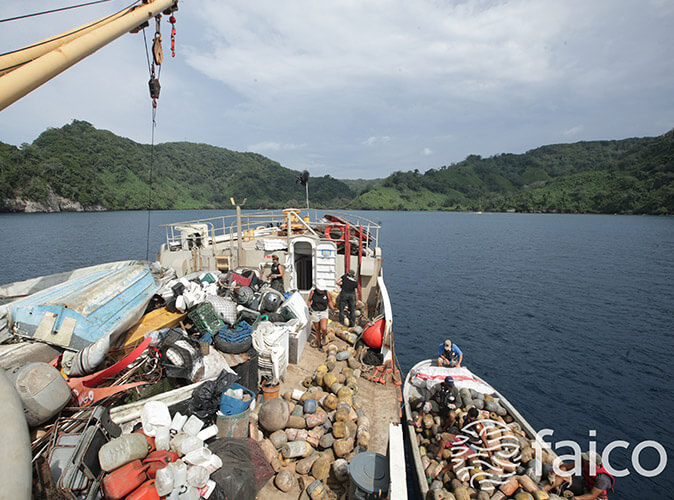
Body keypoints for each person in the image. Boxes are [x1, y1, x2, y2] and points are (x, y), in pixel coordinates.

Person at [543, 451, 615, 499]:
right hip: (584, 486)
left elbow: (592, 495)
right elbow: (566, 467)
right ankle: (543, 489)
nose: (585, 461)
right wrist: (554, 475)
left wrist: (577, 498)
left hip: (596, 497)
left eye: (588, 461)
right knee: (563, 475)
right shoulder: (585, 462)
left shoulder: (602, 479)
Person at [307, 281, 334, 350]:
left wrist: (332, 308)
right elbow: (309, 301)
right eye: (320, 290)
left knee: (324, 328)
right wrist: (309, 307)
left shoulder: (327, 293)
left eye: (322, 290)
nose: (321, 291)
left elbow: (329, 301)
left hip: (323, 311)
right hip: (315, 312)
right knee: (317, 329)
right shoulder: (313, 292)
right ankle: (320, 345)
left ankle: (324, 336)